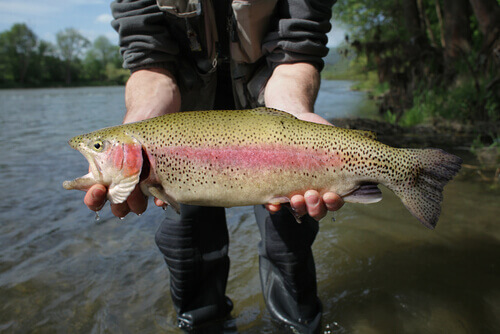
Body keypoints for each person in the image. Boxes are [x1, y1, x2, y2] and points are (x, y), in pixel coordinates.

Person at [84, 0, 343, 332]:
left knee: (288, 239)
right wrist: (141, 124)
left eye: (96, 147)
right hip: (180, 134)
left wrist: (297, 116)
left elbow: (296, 53)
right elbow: (151, 65)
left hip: (270, 115)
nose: (93, 151)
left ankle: (298, 326)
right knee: (185, 245)